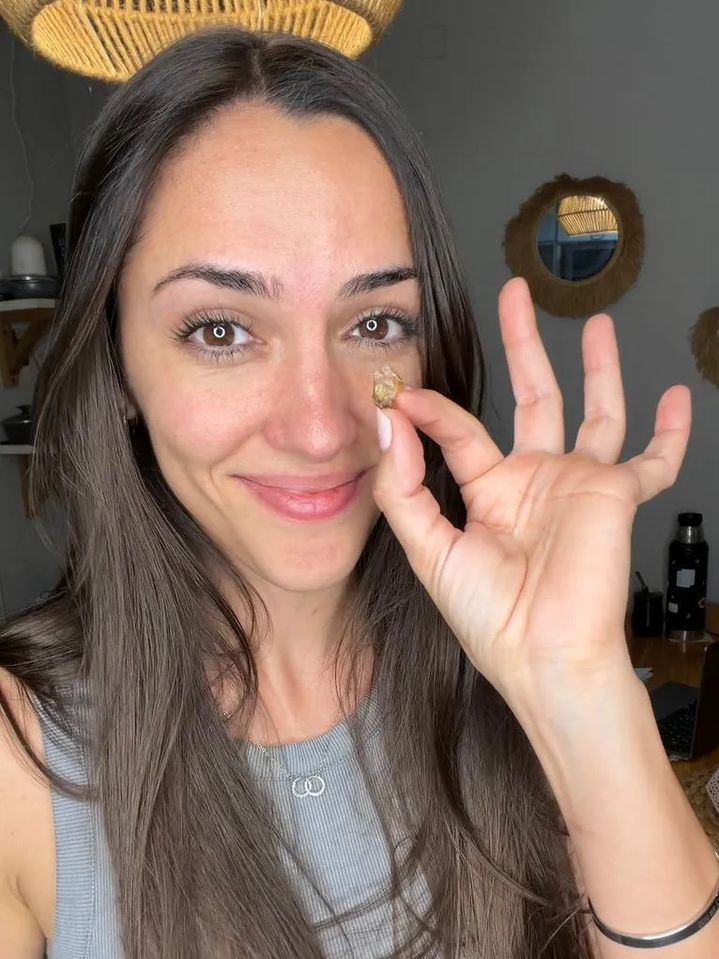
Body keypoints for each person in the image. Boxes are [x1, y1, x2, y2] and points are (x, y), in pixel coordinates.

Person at [0, 27, 717, 959]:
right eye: (220, 330)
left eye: (375, 322)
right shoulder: (20, 753)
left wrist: (578, 683)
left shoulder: (505, 671)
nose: (319, 426)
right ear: (119, 366)